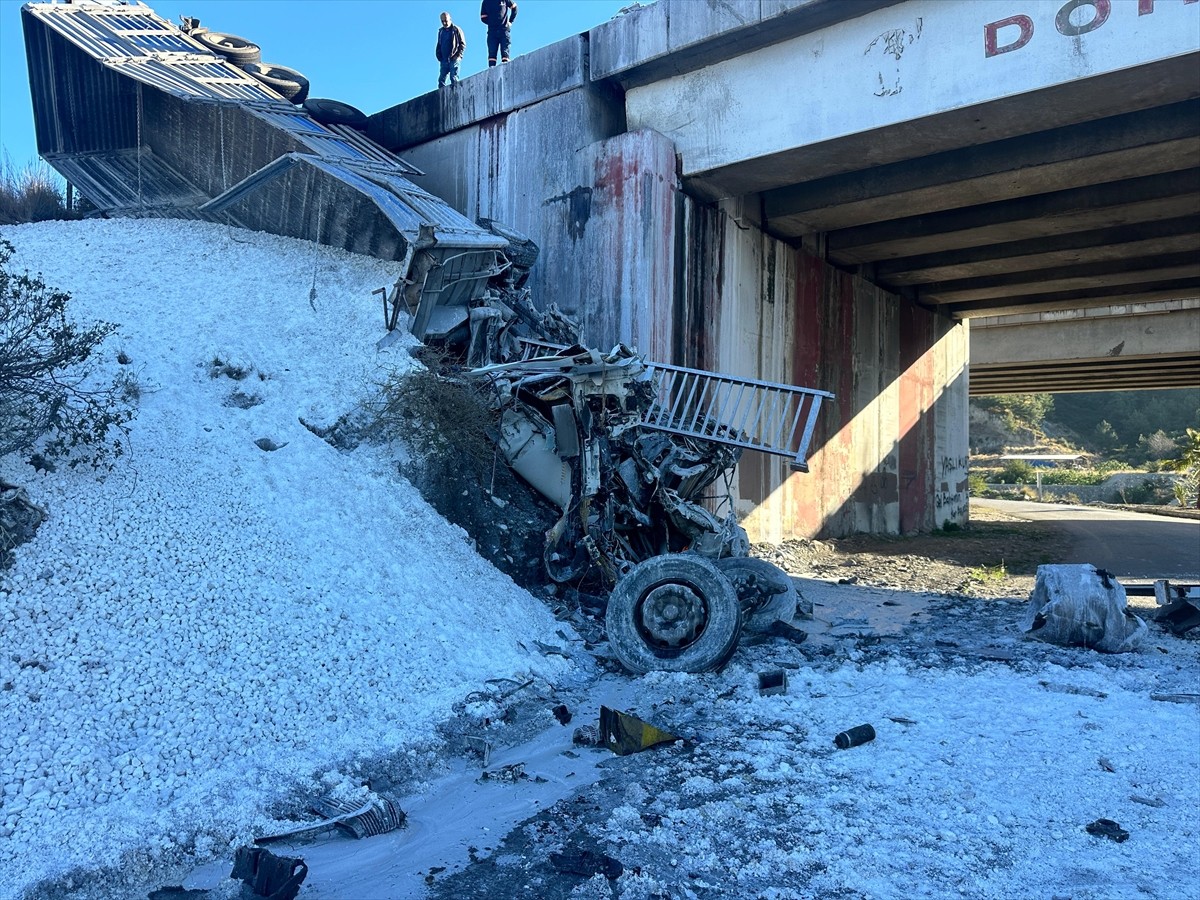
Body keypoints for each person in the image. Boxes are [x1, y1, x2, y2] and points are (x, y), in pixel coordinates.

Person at [479, 0, 517, 67]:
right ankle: (491, 70)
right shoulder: (486, 1)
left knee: (505, 53)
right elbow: (483, 17)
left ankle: (506, 68)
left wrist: (510, 21)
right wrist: (492, 23)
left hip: (504, 30)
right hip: (492, 32)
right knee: (492, 54)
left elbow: (514, 7)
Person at [435, 11, 466, 87]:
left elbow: (463, 44)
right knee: (441, 80)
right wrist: (439, 56)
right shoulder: (441, 32)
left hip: (454, 58)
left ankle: (456, 94)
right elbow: (439, 44)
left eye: (446, 20)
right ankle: (442, 96)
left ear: (450, 19)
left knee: (454, 78)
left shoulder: (456, 29)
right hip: (444, 59)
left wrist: (458, 55)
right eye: (442, 21)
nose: (444, 23)